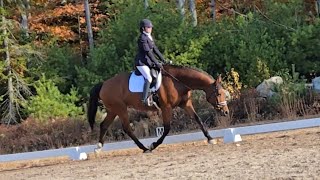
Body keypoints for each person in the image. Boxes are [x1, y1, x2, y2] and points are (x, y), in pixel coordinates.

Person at [134, 19, 167, 105]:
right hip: (141, 62)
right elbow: (148, 52)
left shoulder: (149, 37)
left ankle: (154, 94)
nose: (150, 29)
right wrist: (156, 63)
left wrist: (163, 60)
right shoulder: (142, 38)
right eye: (148, 27)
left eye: (151, 27)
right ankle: (144, 99)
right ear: (143, 28)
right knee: (149, 77)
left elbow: (155, 50)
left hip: (148, 61)